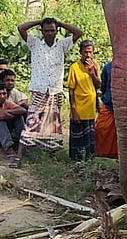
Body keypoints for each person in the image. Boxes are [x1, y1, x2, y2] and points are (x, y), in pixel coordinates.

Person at [12, 17, 83, 168]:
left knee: (52, 124)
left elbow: (78, 32)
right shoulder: (35, 43)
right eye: (47, 31)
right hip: (39, 89)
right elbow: (21, 28)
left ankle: (50, 156)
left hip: (55, 91)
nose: (50, 33)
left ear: (57, 31)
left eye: (53, 30)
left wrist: (61, 23)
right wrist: (39, 21)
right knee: (32, 122)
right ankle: (19, 157)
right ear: (42, 31)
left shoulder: (62, 45)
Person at [66, 40, 102, 161]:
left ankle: (89, 159)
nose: (88, 55)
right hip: (79, 107)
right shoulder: (74, 67)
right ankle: (76, 160)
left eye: (90, 52)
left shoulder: (95, 65)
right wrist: (74, 111)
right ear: (80, 52)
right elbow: (71, 90)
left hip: (90, 108)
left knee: (89, 136)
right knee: (77, 136)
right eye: (85, 52)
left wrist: (92, 72)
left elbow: (98, 86)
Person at [95, 61, 118, 159]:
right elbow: (103, 85)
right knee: (100, 127)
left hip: (123, 106)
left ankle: (116, 154)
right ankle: (100, 152)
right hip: (108, 103)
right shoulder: (108, 67)